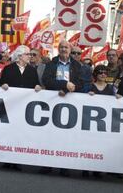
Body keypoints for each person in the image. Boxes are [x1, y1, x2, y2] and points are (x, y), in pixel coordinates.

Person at [40, 40, 83, 175]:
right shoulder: (51, 64)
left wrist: (71, 89)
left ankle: (64, 166)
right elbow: (46, 81)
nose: (64, 49)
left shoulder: (76, 65)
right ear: (58, 49)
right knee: (50, 134)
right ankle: (47, 165)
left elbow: (81, 83)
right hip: (52, 103)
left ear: (70, 50)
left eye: (66, 47)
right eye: (62, 47)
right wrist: (64, 85)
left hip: (69, 103)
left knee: (66, 134)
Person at [0, 45, 41, 171]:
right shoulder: (8, 69)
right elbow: (0, 83)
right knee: (8, 132)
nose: (30, 57)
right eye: (28, 54)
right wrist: (3, 85)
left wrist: (38, 87)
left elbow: (36, 84)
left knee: (20, 133)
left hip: (25, 107)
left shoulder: (32, 70)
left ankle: (17, 159)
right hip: (10, 106)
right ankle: (6, 159)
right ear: (19, 56)